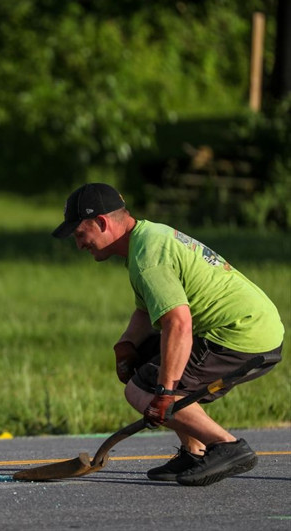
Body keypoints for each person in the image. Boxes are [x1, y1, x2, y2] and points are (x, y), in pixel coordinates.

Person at [52, 182, 284, 486]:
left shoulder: (148, 258)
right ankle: (194, 451)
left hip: (239, 335)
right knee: (144, 359)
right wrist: (125, 345)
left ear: (102, 222)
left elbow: (178, 324)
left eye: (80, 235)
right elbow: (148, 312)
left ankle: (226, 446)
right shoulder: (147, 237)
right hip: (250, 327)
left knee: (140, 390)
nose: (79, 245)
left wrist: (164, 391)